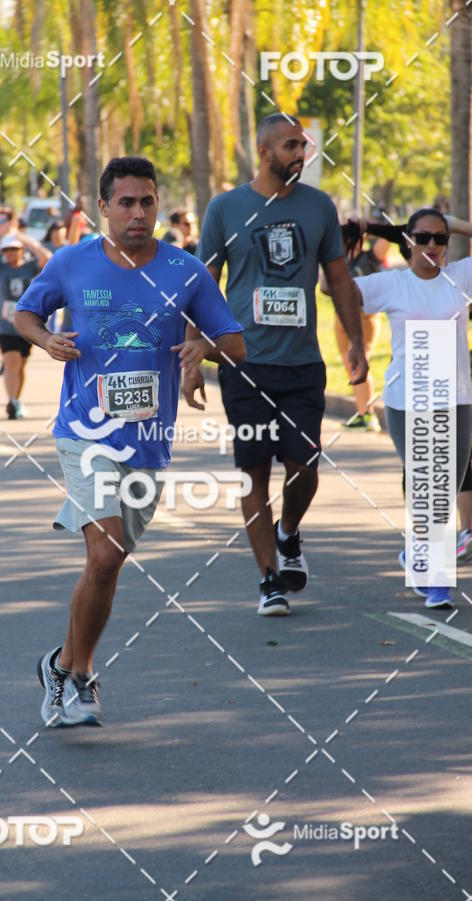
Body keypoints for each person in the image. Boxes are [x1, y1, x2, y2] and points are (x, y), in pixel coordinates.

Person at [14, 156, 245, 728]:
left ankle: (66, 666)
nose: (139, 213)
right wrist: (45, 340)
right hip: (84, 433)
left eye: (147, 202)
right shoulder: (71, 263)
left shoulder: (186, 269)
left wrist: (203, 350)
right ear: (104, 208)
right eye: (126, 203)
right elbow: (22, 313)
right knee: (105, 550)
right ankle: (80, 680)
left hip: (148, 441)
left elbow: (236, 342)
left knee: (109, 566)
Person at [186, 112, 367, 617]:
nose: (300, 153)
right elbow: (204, 284)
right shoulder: (225, 208)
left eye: (303, 145)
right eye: (291, 145)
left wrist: (355, 342)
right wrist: (193, 354)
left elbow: (339, 277)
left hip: (303, 363)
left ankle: (288, 532)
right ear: (264, 152)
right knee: (253, 470)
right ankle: (269, 579)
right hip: (244, 362)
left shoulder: (319, 207)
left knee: (305, 466)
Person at [354, 208, 472, 609]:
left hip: (456, 398)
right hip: (408, 401)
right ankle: (437, 581)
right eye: (423, 238)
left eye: (441, 239)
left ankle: (418, 552)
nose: (433, 247)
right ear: (408, 242)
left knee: (447, 485)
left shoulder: (459, 278)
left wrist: (455, 223)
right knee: (430, 486)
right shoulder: (393, 283)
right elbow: (333, 289)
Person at [320, 222, 390, 432]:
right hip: (340, 317)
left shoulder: (370, 256)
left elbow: (391, 236)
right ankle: (362, 413)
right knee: (350, 367)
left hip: (364, 317)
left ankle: (368, 415)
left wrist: (368, 228)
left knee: (360, 363)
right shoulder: (337, 261)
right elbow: (324, 287)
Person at [0, 230, 51, 419]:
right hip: (4, 324)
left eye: (14, 249)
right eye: (6, 250)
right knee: (11, 361)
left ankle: (16, 400)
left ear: (21, 250)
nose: (10, 253)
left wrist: (24, 239)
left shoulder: (29, 267)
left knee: (21, 364)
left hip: (27, 323)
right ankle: (12, 401)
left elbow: (46, 258)